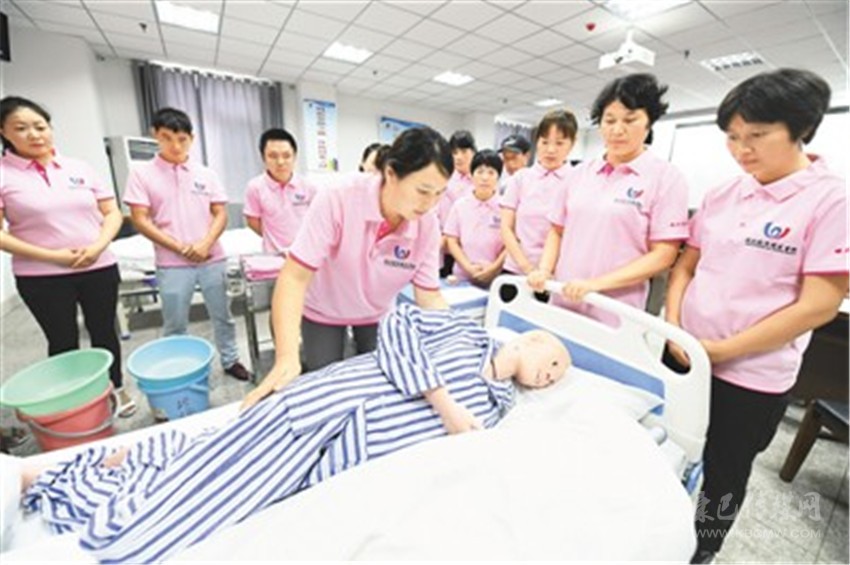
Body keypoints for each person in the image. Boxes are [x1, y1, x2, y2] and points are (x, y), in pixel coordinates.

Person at [20, 305, 571, 563]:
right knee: (200, 501)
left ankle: (124, 460)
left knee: (226, 472)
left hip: (342, 455)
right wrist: (443, 401)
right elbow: (398, 324)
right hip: (323, 408)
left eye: (556, 377)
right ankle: (56, 483)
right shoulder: (464, 333)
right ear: (529, 339)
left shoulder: (499, 408)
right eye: (554, 361)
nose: (552, 376)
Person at [662, 69, 848, 564]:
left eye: (757, 136)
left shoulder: (832, 200)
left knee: (725, 472)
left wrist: (720, 351)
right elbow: (686, 267)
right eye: (732, 137)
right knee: (671, 445)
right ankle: (658, 531)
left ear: (801, 129)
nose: (741, 149)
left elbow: (819, 304)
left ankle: (704, 548)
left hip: (751, 376)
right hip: (685, 353)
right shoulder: (724, 193)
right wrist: (674, 327)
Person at [242, 127, 455, 408]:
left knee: (380, 387)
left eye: (439, 193)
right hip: (324, 309)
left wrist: (456, 336)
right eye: (423, 191)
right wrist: (286, 357)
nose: (430, 204)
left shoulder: (427, 225)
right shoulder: (339, 198)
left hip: (377, 313)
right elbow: (294, 277)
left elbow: (430, 296)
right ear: (391, 173)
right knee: (324, 386)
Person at [0, 96, 136, 417]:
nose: (34, 134)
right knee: (62, 339)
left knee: (104, 331)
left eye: (40, 126)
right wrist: (53, 256)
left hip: (98, 266)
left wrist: (98, 246)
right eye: (21, 128)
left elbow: (112, 212)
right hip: (41, 276)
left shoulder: (79, 168)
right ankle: (74, 399)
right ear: (3, 132)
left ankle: (115, 387)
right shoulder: (4, 175)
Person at [528, 74, 689, 325]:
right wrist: (544, 271)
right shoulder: (579, 174)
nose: (617, 130)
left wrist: (596, 284)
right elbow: (557, 231)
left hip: (616, 310)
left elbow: (664, 255)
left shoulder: (665, 178)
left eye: (630, 120)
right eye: (609, 120)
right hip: (564, 297)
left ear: (649, 123)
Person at [124, 107, 251, 382]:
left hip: (211, 258)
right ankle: (178, 369)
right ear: (155, 135)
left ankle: (231, 360)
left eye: (182, 139)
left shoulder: (206, 174)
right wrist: (180, 248)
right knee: (175, 322)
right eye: (167, 138)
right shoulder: (142, 174)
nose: (175, 146)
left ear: (192, 138)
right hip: (172, 263)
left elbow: (220, 213)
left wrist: (205, 244)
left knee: (223, 315)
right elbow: (140, 219)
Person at [500, 109, 577, 301]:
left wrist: (545, 272)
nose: (551, 150)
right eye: (544, 142)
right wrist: (528, 269)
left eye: (559, 143)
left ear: (572, 144)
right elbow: (506, 228)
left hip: (556, 277)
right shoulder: (521, 178)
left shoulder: (577, 180)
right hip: (516, 270)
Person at [243, 128, 316, 255]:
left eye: (286, 156)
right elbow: (252, 220)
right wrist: (273, 238)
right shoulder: (255, 187)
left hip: (305, 254)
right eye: (273, 156)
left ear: (294, 157)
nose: (280, 162)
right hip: (273, 255)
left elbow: (317, 220)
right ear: (263, 157)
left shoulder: (309, 186)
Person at [444, 149, 507, 287]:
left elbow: (511, 244)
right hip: (461, 277)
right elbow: (452, 241)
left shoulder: (506, 208)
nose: (485, 177)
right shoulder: (460, 206)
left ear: (498, 177)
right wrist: (468, 267)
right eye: (480, 171)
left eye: (491, 172)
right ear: (472, 175)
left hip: (495, 279)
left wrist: (493, 269)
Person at [438, 130, 476, 278]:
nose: (458, 157)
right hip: (444, 248)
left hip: (469, 250)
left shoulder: (480, 181)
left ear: (473, 152)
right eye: (454, 152)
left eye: (464, 151)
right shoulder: (444, 178)